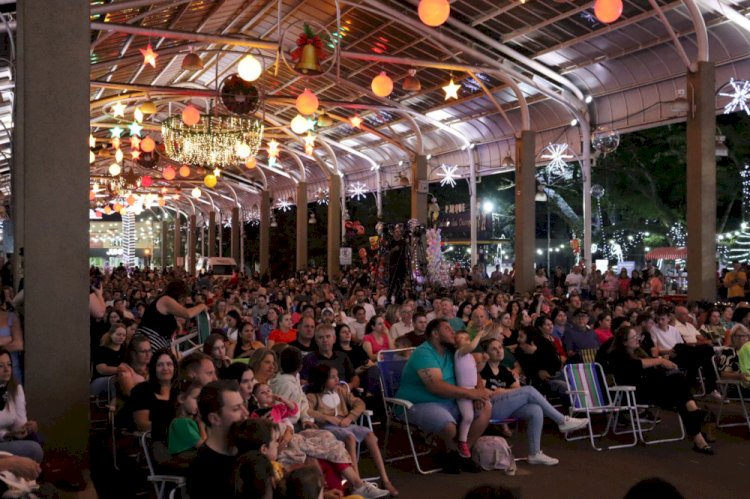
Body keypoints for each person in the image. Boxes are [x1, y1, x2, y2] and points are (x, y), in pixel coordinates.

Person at [395, 319, 492, 473]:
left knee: (485, 408)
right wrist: (470, 393)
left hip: (449, 400)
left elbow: (473, 370)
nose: (452, 332)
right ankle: (450, 453)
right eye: (447, 329)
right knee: (448, 426)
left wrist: (478, 391)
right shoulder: (424, 352)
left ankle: (463, 453)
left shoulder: (451, 352)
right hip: (417, 403)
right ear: (435, 334)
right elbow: (435, 386)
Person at [606, 326, 714, 455]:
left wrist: (663, 365)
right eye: (634, 337)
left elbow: (652, 370)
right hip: (635, 393)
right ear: (624, 341)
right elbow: (634, 366)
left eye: (637, 336)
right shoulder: (616, 355)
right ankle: (697, 416)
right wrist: (660, 360)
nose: (637, 340)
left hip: (655, 390)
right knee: (679, 386)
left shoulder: (639, 351)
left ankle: (698, 432)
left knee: (680, 392)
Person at [306, 365, 398, 497]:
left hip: (346, 423)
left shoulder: (340, 391)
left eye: (337, 376)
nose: (337, 379)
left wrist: (350, 417)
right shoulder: (313, 396)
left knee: (369, 434)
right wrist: (327, 417)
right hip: (327, 428)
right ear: (322, 380)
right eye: (332, 377)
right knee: (350, 437)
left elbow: (359, 403)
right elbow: (307, 410)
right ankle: (356, 483)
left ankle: (385, 479)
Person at [187, 380, 249, 499]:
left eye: (243, 405)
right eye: (236, 409)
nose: (245, 414)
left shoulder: (245, 450)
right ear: (215, 419)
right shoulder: (203, 469)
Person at [119, 349, 178, 442]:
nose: (165, 368)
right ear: (153, 368)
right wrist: (173, 429)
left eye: (169, 364)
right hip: (151, 440)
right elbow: (142, 424)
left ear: (175, 368)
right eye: (160, 365)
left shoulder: (180, 391)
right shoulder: (141, 391)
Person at [138, 279, 208, 351]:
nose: (183, 302)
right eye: (183, 298)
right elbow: (188, 313)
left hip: (158, 345)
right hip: (148, 344)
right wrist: (202, 305)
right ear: (180, 295)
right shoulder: (165, 300)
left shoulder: (167, 306)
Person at [0, 349, 42, 462]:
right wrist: (5, 435)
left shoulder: (15, 389)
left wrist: (25, 429)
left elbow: (19, 424)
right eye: (0, 366)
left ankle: (31, 477)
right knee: (34, 449)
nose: (6, 369)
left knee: (33, 437)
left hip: (7, 438)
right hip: (3, 439)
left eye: (9, 365)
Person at [454, 329, 487, 458]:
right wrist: (478, 334)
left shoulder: (470, 357)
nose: (467, 341)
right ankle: (462, 441)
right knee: (468, 417)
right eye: (463, 338)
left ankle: (465, 439)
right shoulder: (459, 353)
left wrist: (483, 361)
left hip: (472, 389)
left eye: (468, 338)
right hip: (463, 390)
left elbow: (477, 369)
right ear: (456, 344)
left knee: (472, 416)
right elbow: (472, 346)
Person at [167, 380, 206, 462]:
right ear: (181, 399)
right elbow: (203, 447)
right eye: (196, 398)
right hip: (183, 464)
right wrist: (201, 425)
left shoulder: (191, 421)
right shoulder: (181, 423)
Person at [90, 322, 127, 396]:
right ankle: (113, 403)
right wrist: (119, 370)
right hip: (98, 382)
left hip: (119, 378)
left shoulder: (124, 350)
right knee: (120, 377)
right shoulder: (101, 350)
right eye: (118, 334)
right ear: (111, 334)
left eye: (124, 335)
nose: (121, 337)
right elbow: (102, 370)